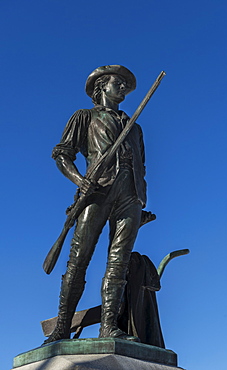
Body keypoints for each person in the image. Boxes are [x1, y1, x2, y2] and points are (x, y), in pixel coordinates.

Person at [44, 65, 148, 344]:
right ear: (102, 86)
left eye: (126, 85)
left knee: (119, 264)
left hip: (131, 197)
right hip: (96, 192)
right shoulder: (85, 117)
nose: (124, 88)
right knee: (78, 261)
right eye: (119, 83)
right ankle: (62, 328)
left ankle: (108, 328)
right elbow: (62, 154)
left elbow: (142, 166)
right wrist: (80, 180)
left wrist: (141, 201)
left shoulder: (135, 128)